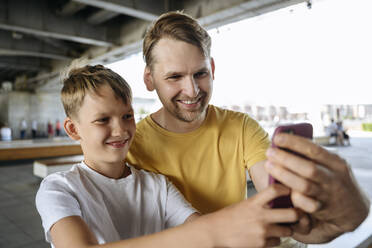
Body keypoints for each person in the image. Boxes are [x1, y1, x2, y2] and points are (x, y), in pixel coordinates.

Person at [127, 11, 370, 245]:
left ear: (211, 69)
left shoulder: (241, 128)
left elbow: (292, 222)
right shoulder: (129, 144)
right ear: (149, 79)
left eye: (200, 74)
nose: (192, 91)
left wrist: (343, 217)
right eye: (174, 77)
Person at [36, 64, 302, 248]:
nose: (120, 129)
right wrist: (212, 231)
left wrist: (252, 224)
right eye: (103, 120)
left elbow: (201, 226)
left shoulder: (156, 185)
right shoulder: (59, 189)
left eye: (127, 116)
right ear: (73, 129)